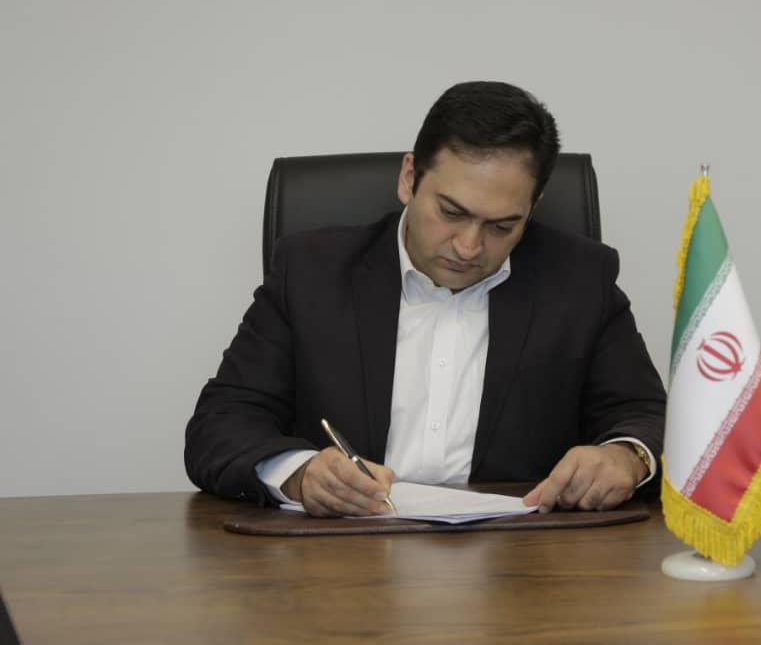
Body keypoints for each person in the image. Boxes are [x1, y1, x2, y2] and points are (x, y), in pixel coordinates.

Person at [184, 81, 666, 517]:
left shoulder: (580, 280)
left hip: (521, 559)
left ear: (532, 208)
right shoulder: (311, 272)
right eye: (451, 212)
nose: (469, 247)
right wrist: (299, 473)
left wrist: (626, 456)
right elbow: (220, 423)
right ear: (409, 177)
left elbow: (651, 416)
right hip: (341, 555)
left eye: (502, 226)